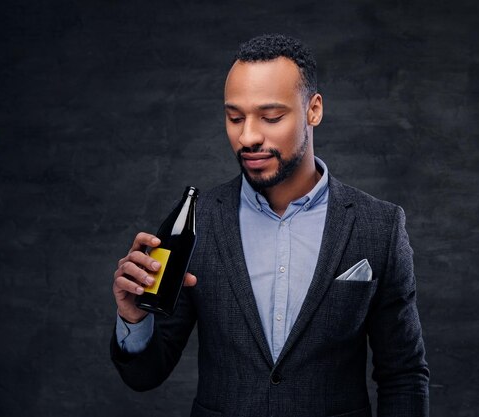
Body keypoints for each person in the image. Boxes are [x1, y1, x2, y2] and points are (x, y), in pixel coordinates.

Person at [111, 33, 429, 417]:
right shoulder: (197, 223)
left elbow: (403, 376)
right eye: (234, 117)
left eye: (271, 117)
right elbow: (145, 375)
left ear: (314, 110)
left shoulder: (379, 226)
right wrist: (134, 318)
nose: (248, 136)